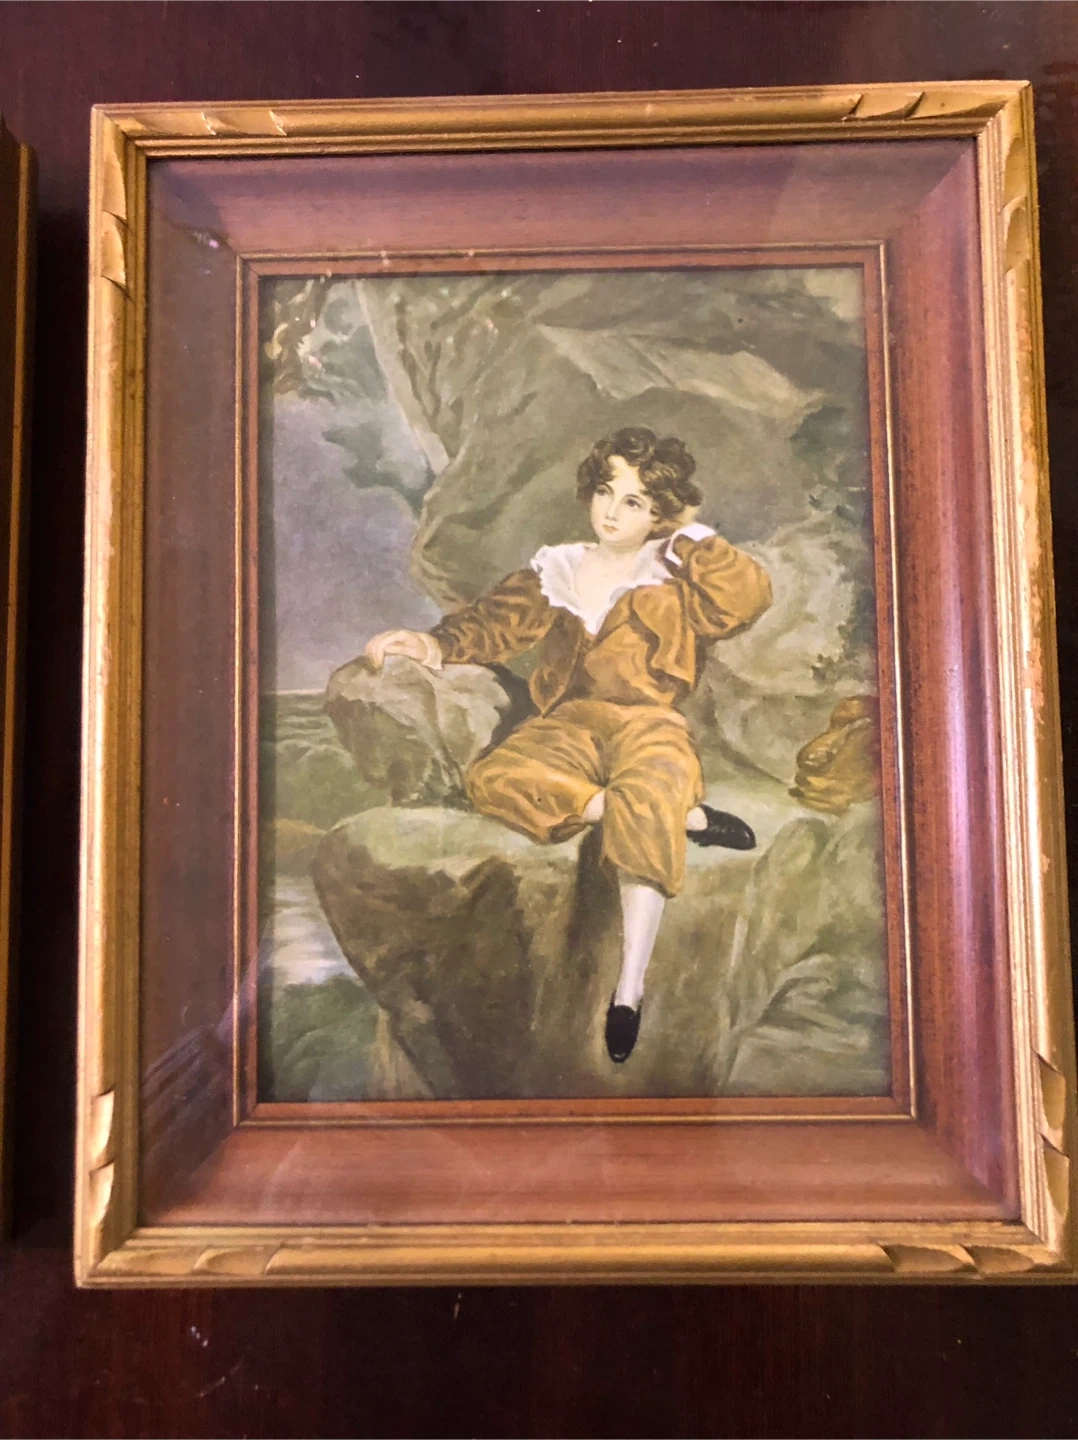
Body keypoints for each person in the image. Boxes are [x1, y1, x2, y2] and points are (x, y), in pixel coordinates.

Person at [365, 427, 772, 1063]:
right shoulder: (558, 567)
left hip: (649, 721)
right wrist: (432, 644)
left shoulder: (674, 572)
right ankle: (683, 818)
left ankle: (628, 993)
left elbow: (745, 600)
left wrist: (691, 534)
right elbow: (494, 625)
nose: (611, 511)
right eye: (606, 492)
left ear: (660, 513)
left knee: (655, 778)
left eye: (634, 502)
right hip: (569, 725)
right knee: (496, 777)